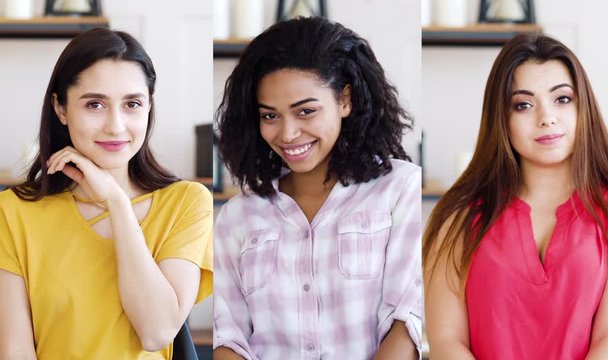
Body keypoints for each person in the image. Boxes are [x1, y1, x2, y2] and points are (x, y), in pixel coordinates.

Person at [213, 16, 422, 359]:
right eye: (270, 116)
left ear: (344, 100)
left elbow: (406, 323)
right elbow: (229, 339)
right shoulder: (237, 217)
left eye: (305, 111)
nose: (287, 133)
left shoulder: (400, 190)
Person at [423, 33, 608, 359]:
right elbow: (446, 341)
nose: (546, 117)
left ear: (584, 108)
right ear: (502, 119)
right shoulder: (457, 217)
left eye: (562, 99)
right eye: (523, 104)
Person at [0, 28, 213, 359]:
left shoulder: (187, 203)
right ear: (60, 108)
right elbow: (15, 352)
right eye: (95, 104)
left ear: (149, 107)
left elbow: (157, 331)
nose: (115, 125)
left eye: (132, 104)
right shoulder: (13, 212)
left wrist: (116, 203)